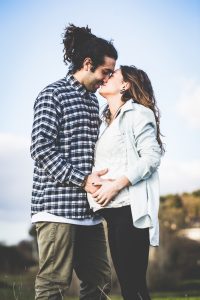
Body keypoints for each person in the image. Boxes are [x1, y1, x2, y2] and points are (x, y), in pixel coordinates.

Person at [30, 23, 118, 300]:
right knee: (53, 285)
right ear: (88, 63)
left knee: (100, 282)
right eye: (105, 72)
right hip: (57, 209)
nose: (107, 80)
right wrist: (83, 179)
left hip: (89, 213)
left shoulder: (94, 103)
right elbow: (41, 148)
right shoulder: (53, 94)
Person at [87, 65, 164, 300]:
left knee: (134, 287)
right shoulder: (109, 122)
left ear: (125, 85)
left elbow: (152, 157)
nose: (105, 78)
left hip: (130, 209)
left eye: (113, 75)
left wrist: (115, 185)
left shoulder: (138, 113)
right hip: (113, 212)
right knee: (130, 287)